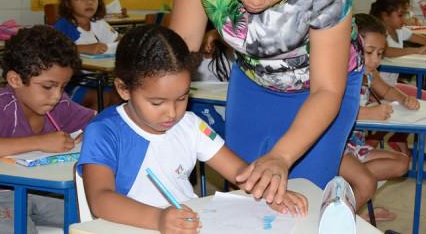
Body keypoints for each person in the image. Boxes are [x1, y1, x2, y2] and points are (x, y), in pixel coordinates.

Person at [170, 0, 364, 202]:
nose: (256, 1)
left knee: (303, 195)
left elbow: (327, 90)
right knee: (245, 189)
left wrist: (282, 156)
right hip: (253, 80)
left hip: (320, 90)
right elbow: (182, 47)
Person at [77, 25, 307, 232]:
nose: (172, 112)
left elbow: (240, 172)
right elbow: (100, 200)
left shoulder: (190, 125)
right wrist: (158, 219)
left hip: (187, 225)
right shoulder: (105, 131)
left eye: (182, 97)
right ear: (123, 89)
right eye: (157, 103)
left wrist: (271, 193)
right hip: (133, 227)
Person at [0, 25, 96, 233]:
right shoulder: (1, 106)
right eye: (48, 86)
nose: (57, 95)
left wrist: (91, 134)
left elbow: (98, 122)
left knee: (93, 218)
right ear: (15, 80)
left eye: (63, 86)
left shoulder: (59, 104)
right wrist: (40, 142)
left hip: (41, 193)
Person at [338, 14, 411, 211]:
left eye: (380, 53)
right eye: (369, 52)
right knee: (367, 182)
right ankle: (337, 217)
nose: (375, 60)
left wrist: (404, 98)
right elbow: (334, 113)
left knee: (402, 163)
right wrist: (369, 113)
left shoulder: (369, 74)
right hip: (336, 149)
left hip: (356, 147)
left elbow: (387, 91)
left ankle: (341, 192)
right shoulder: (339, 74)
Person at [369, 0, 426, 155]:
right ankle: (373, 141)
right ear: (385, 15)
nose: (404, 19)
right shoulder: (379, 33)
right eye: (400, 15)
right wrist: (415, 51)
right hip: (375, 90)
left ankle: (398, 137)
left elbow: (425, 40)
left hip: (391, 87)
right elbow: (388, 51)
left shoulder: (400, 31)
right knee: (397, 107)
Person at [54, 0, 121, 111]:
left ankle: (107, 129)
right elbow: (54, 50)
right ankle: (86, 130)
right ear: (67, 2)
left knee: (118, 94)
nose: (89, 2)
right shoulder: (64, 25)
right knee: (101, 97)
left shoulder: (99, 24)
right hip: (69, 84)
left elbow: (118, 41)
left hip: (95, 80)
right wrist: (85, 48)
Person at [190, 29, 234, 137]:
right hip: (200, 106)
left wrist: (215, 34)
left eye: (212, 42)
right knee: (205, 131)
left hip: (222, 108)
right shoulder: (193, 59)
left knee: (217, 132)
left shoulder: (229, 57)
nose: (208, 47)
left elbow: (237, 43)